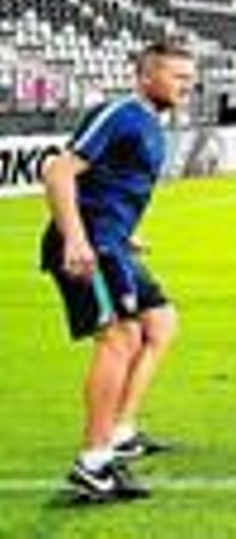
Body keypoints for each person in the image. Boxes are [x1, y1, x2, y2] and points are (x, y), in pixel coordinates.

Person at [40, 40, 197, 503]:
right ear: (145, 76)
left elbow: (108, 185)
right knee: (119, 339)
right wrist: (76, 238)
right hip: (89, 246)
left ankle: (121, 432)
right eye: (177, 76)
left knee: (161, 323)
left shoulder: (150, 124)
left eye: (190, 78)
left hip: (112, 243)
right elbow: (59, 172)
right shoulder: (121, 113)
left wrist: (125, 233)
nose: (186, 85)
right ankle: (93, 463)